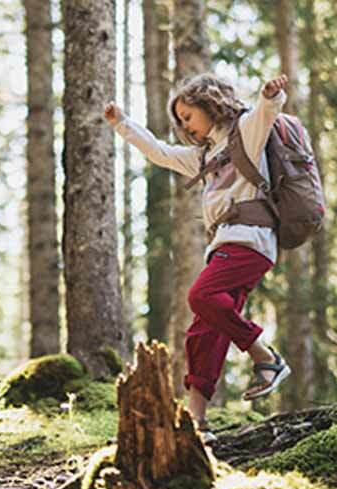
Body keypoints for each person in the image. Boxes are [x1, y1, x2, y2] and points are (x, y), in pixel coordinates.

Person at [103, 74, 294, 441]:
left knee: (200, 297)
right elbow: (160, 152)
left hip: (251, 241)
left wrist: (272, 96)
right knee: (204, 329)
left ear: (210, 105)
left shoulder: (245, 134)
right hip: (225, 245)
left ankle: (264, 355)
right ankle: (198, 424)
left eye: (188, 116)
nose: (185, 127)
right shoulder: (204, 157)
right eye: (181, 121)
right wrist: (122, 124)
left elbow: (266, 113)